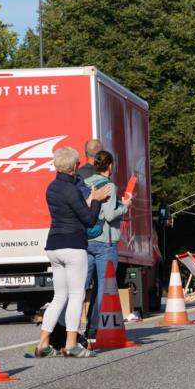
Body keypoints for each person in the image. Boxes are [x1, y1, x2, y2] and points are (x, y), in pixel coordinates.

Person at [35, 147, 111, 358]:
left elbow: (71, 211)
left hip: (54, 245)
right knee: (77, 295)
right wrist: (95, 200)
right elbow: (88, 220)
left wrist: (89, 201)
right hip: (73, 245)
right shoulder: (72, 189)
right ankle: (71, 344)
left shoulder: (52, 188)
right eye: (77, 164)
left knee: (59, 296)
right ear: (73, 166)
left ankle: (43, 344)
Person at [83, 150, 132, 341]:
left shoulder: (86, 183)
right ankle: (94, 330)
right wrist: (125, 205)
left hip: (87, 241)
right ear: (110, 166)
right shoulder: (109, 186)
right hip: (105, 242)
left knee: (82, 287)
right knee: (104, 288)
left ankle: (66, 329)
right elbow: (110, 215)